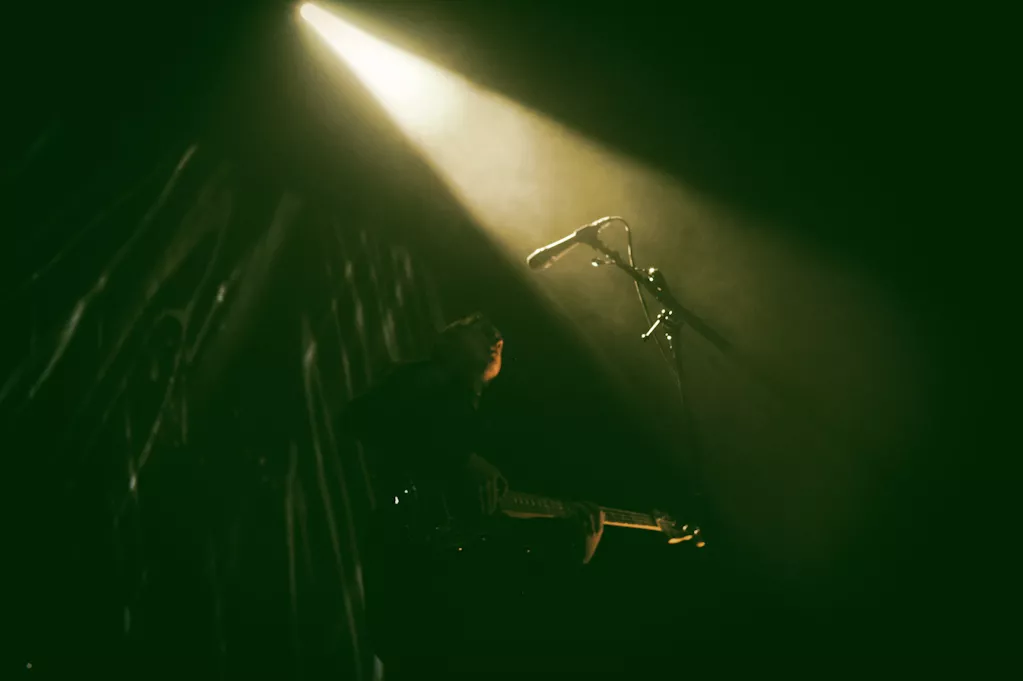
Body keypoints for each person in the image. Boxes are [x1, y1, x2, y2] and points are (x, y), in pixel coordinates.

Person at [342, 313, 606, 674]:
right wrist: (460, 459)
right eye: (480, 329)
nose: (496, 337)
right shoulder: (425, 380)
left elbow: (495, 538)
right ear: (448, 341)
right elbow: (359, 418)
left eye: (498, 335)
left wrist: (578, 552)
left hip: (444, 613)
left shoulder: (480, 419)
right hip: (413, 593)